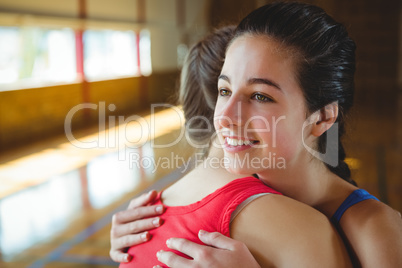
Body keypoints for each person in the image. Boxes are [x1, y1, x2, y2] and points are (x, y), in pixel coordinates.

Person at [110, 2, 402, 268]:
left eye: (260, 96)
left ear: (322, 118)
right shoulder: (234, 192)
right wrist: (138, 239)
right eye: (224, 90)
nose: (223, 116)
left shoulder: (376, 230)